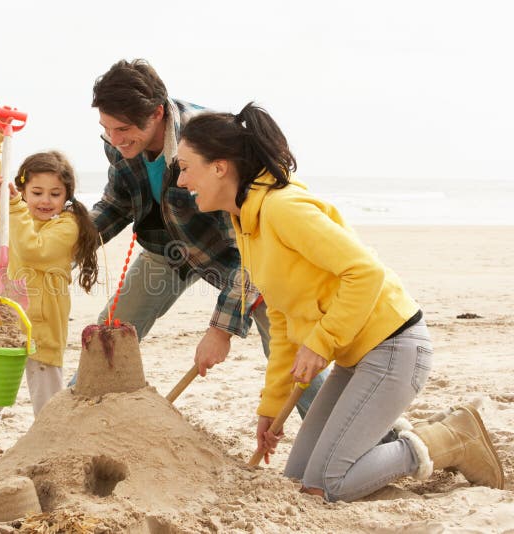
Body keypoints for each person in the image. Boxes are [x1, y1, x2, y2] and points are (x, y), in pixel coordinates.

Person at [176, 102, 505, 501]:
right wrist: (271, 406)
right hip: (355, 359)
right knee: (296, 481)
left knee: (326, 485)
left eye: (185, 166)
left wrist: (321, 342)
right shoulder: (246, 223)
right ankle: (383, 436)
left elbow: (366, 273)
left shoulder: (283, 208)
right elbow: (282, 321)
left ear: (219, 166)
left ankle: (449, 438)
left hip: (394, 346)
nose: (180, 180)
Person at [84, 58, 326, 415]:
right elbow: (117, 203)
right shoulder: (120, 141)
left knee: (288, 354)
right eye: (107, 129)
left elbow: (254, 249)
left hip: (238, 256)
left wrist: (220, 330)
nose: (115, 140)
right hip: (169, 249)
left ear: (156, 113)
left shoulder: (208, 141)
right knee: (107, 337)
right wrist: (71, 238)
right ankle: (79, 420)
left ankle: (355, 436)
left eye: (122, 130)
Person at [0, 114, 99, 467]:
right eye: (36, 192)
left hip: (42, 334)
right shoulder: (13, 215)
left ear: (67, 196)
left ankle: (53, 461)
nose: (45, 200)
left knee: (48, 406)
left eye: (55, 194)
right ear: (23, 189)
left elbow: (33, 249)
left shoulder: (67, 227)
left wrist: (13, 207)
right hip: (6, 326)